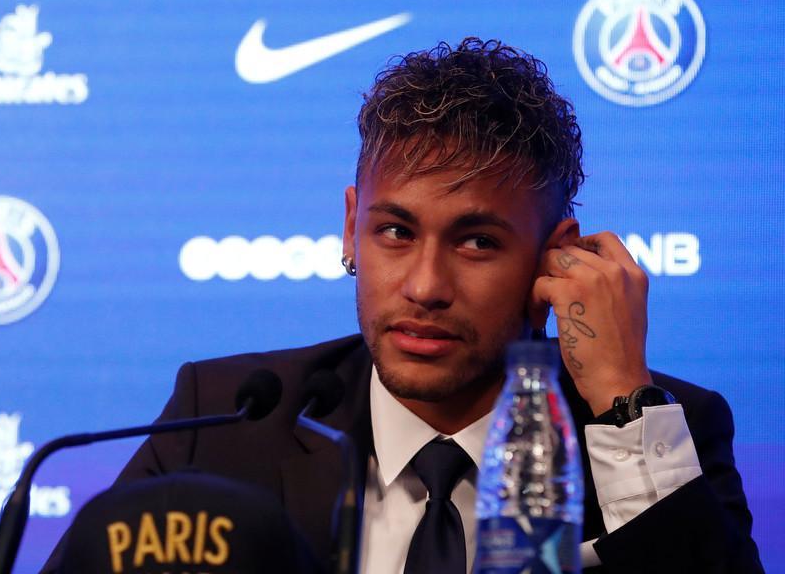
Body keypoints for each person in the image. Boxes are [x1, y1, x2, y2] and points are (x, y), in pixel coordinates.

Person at [40, 38, 762, 573]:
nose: (423, 286)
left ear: (555, 255)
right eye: (395, 231)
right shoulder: (228, 423)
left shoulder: (662, 437)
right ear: (351, 225)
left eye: (477, 242)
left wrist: (618, 396)